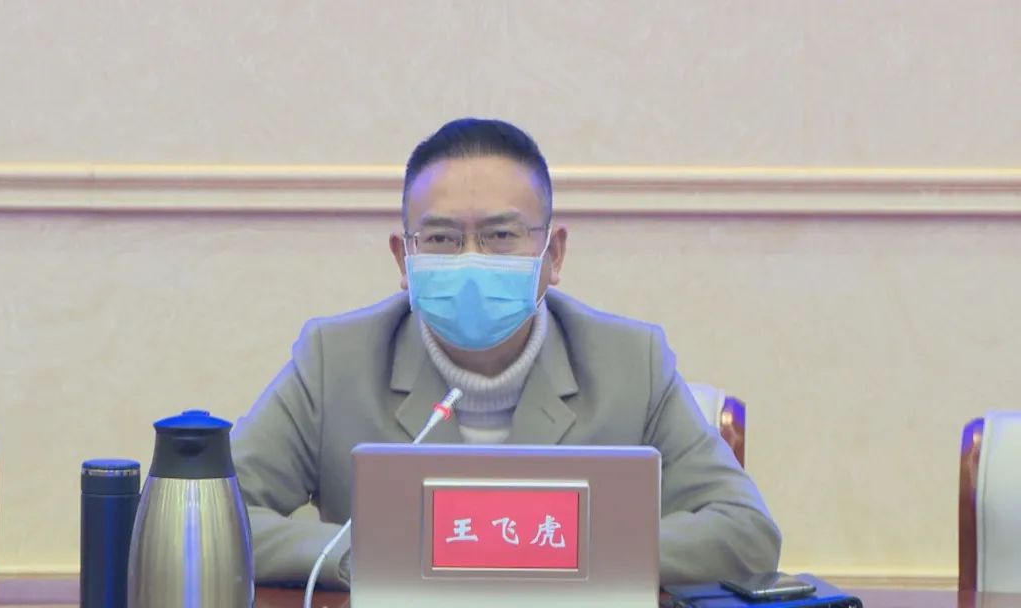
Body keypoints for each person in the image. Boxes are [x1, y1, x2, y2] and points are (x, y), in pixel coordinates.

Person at [230, 118, 782, 590]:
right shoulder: (335, 360)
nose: (471, 259)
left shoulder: (631, 362)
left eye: (500, 236)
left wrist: (551, 551)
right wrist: (370, 555)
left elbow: (746, 531)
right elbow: (217, 518)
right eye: (442, 239)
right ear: (404, 259)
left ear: (553, 254)